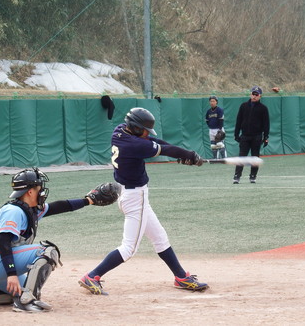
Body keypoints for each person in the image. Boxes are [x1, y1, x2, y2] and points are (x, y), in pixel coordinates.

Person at [78, 107, 208, 296]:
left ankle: (180, 277)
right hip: (134, 198)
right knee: (129, 248)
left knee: (160, 238)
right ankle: (92, 276)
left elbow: (156, 142)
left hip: (130, 194)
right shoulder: (135, 145)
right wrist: (188, 155)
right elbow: (162, 148)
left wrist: (183, 155)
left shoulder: (120, 131)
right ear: (136, 128)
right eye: (145, 130)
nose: (147, 133)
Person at [0, 169, 116, 312]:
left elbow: (59, 206)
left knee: (24, 288)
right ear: (30, 192)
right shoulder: (14, 212)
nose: (42, 192)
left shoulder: (29, 208)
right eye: (40, 188)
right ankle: (26, 303)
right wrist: (11, 274)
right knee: (47, 251)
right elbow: (4, 242)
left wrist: (88, 200)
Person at [233, 86, 270, 184]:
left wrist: (266, 137)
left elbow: (266, 124)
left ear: (260, 96)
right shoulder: (243, 106)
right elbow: (238, 120)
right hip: (245, 136)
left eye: (256, 95)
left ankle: (253, 176)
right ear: (250, 94)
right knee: (242, 157)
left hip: (256, 137)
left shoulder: (263, 108)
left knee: (255, 157)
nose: (254, 96)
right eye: (253, 94)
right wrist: (236, 134)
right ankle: (237, 176)